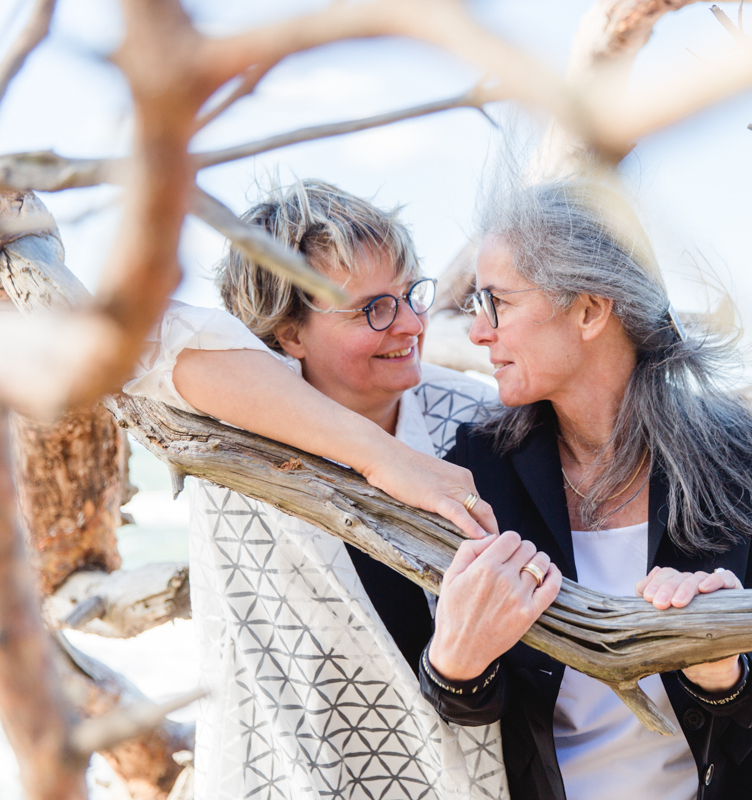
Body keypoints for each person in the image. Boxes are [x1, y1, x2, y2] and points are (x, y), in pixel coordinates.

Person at [418, 178, 752, 800]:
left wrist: (719, 665)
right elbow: (465, 701)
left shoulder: (732, 453)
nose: (476, 332)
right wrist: (454, 665)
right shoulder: (478, 464)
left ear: (589, 310)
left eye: (496, 302)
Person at [125, 180, 509, 800]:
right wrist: (382, 457)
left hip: (461, 779)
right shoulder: (228, 420)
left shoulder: (471, 416)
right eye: (372, 309)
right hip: (281, 777)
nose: (411, 323)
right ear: (289, 333)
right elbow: (142, 336)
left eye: (411, 294)